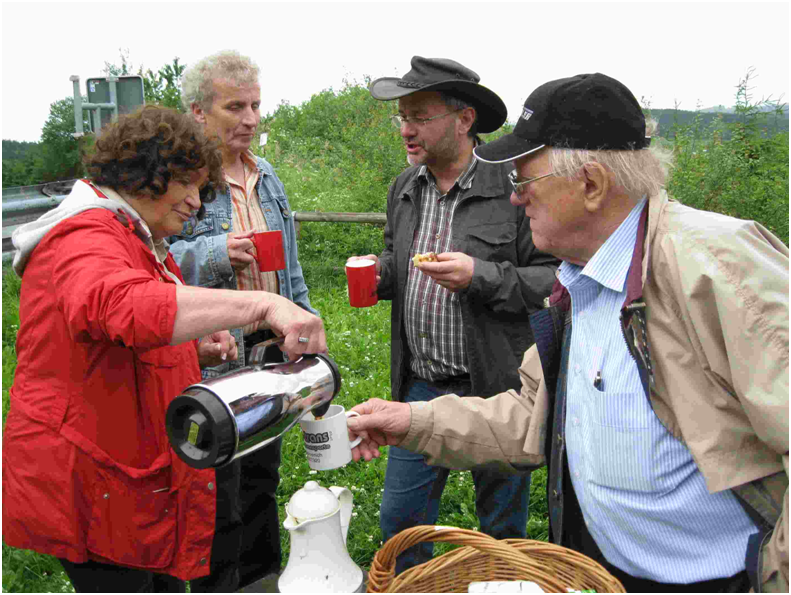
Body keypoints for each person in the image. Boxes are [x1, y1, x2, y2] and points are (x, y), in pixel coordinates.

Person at [347, 73, 789, 593]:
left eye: (523, 180)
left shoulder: (716, 264)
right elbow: (532, 417)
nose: (514, 199)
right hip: (601, 573)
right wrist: (411, 420)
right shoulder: (577, 282)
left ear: (592, 184)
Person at [2, 105, 326, 594]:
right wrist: (260, 304)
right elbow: (120, 304)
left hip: (123, 475)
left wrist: (191, 349)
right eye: (187, 184)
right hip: (88, 480)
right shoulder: (84, 235)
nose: (196, 202)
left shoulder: (135, 235)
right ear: (147, 175)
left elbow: (115, 341)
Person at [347, 56, 559, 573]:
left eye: (419, 115)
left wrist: (480, 276)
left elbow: (556, 281)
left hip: (500, 387)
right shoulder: (406, 187)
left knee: (503, 529)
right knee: (401, 521)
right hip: (421, 385)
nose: (405, 128)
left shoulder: (512, 187)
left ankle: (502, 584)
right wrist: (382, 274)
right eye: (401, 116)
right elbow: (401, 260)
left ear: (464, 120)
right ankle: (415, 585)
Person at [168, 50, 318, 591]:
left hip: (268, 351)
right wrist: (212, 252)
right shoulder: (182, 178)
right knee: (217, 488)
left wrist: (305, 320)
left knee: (262, 474)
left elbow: (290, 266)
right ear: (198, 113)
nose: (251, 118)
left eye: (255, 105)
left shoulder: (266, 174)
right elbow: (152, 262)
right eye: (236, 106)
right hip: (214, 356)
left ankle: (261, 579)